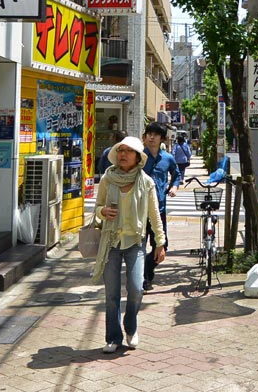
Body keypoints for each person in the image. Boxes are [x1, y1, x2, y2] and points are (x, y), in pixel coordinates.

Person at [92, 135, 165, 353]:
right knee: (111, 293)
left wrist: (160, 242)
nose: (123, 154)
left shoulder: (146, 182)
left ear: (137, 157)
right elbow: (97, 208)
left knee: (136, 289)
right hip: (111, 241)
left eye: (128, 151)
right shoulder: (107, 178)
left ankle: (130, 327)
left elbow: (155, 214)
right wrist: (102, 212)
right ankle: (113, 338)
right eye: (120, 150)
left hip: (135, 241)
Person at [141, 122, 183, 290]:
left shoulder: (168, 158)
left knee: (161, 246)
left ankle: (147, 270)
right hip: (139, 209)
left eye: (155, 134)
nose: (151, 137)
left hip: (159, 209)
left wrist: (174, 186)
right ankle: (143, 279)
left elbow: (177, 174)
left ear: (162, 138)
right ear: (144, 137)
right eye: (149, 134)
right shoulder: (139, 156)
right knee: (139, 245)